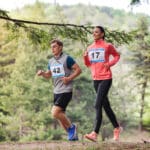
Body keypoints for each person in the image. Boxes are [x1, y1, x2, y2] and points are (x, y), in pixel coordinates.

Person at [37, 39, 81, 141]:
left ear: (60, 47)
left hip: (66, 90)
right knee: (60, 115)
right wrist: (42, 73)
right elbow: (49, 75)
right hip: (56, 91)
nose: (52, 49)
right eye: (51, 47)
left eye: (55, 47)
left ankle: (72, 127)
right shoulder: (51, 61)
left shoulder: (67, 59)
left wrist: (69, 78)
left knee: (55, 112)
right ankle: (72, 137)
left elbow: (78, 70)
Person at [83, 26, 122, 142]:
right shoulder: (90, 48)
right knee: (106, 106)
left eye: (96, 32)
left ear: (102, 34)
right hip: (96, 79)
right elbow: (88, 64)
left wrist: (109, 64)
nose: (93, 34)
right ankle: (117, 128)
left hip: (106, 78)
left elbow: (117, 55)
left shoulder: (107, 46)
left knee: (97, 104)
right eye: (93, 32)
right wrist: (85, 57)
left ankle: (94, 133)